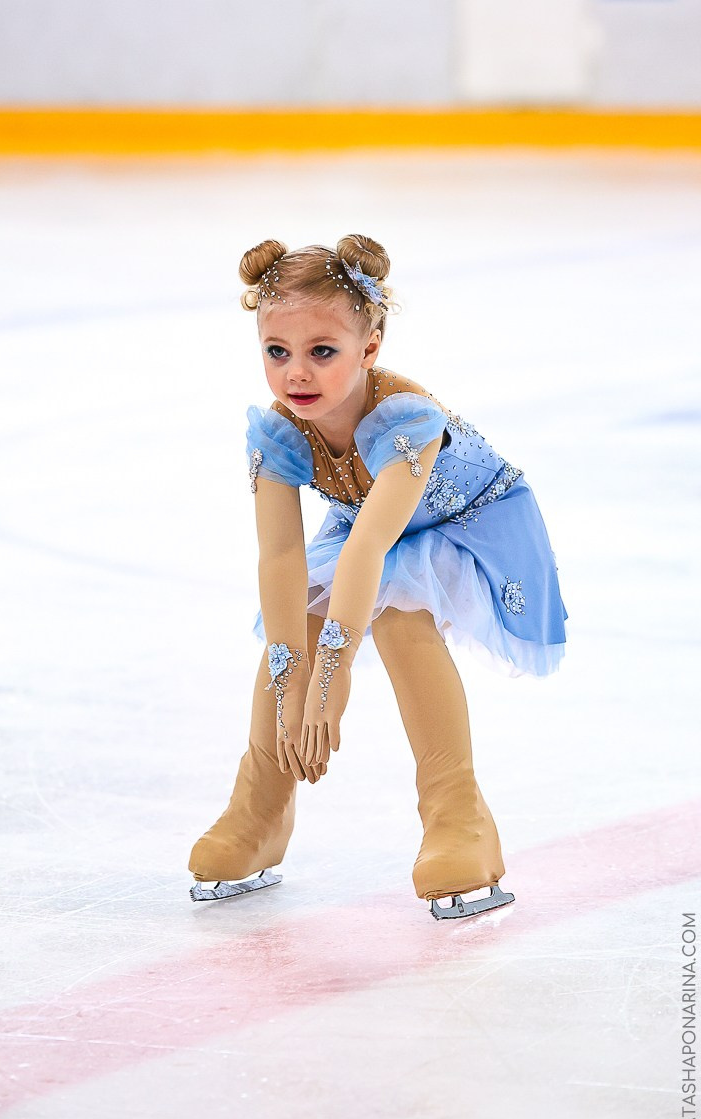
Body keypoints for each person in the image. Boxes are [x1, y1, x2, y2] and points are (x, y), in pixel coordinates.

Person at [188, 234, 568, 919]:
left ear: (370, 347)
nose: (295, 373)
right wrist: (293, 683)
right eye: (277, 352)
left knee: (398, 617)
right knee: (298, 620)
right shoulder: (280, 431)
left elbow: (369, 553)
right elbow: (280, 561)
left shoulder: (405, 419)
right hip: (373, 526)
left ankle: (460, 819)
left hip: (470, 521)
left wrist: (330, 682)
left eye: (321, 351)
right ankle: (261, 808)